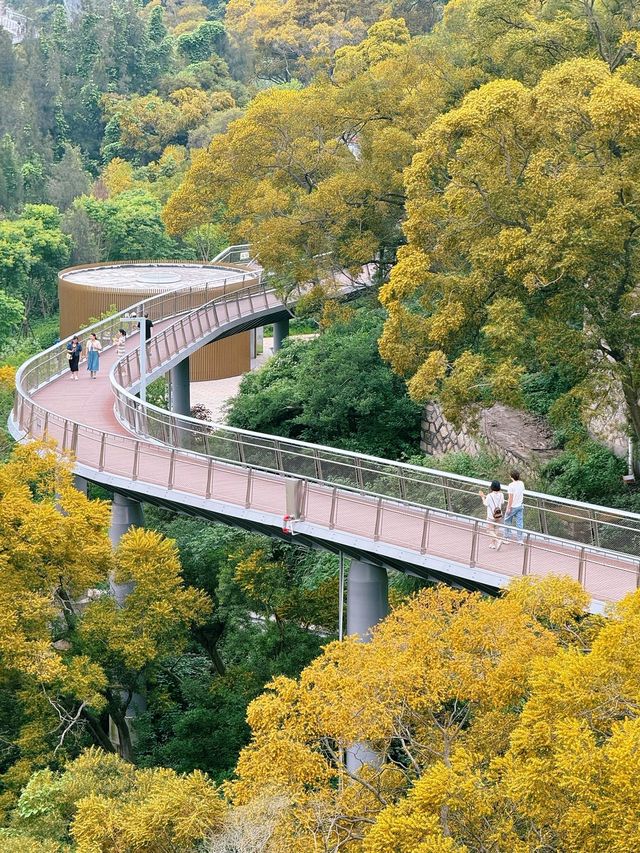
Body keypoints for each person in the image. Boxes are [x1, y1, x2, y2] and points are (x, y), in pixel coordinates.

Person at [479, 480, 505, 551]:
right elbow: (502, 502)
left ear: (491, 487)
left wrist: (482, 497)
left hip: (491, 516)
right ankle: (493, 544)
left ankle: (498, 541)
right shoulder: (501, 494)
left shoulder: (489, 495)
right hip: (499, 515)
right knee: (496, 529)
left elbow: (485, 503)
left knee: (489, 530)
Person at [504, 470, 525, 544]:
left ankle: (507, 538)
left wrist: (508, 508)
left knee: (507, 521)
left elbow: (510, 498)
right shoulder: (521, 483)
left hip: (513, 506)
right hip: (520, 506)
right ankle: (520, 540)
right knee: (519, 523)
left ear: (511, 477)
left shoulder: (511, 485)